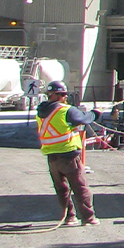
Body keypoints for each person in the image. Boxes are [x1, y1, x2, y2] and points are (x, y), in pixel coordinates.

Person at [36, 81, 100, 226]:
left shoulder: (41, 112)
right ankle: (88, 218)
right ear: (58, 96)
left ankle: (69, 217)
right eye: (64, 95)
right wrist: (95, 113)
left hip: (52, 158)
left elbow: (59, 125)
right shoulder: (65, 110)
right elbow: (84, 119)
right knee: (81, 188)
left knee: (62, 189)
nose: (65, 98)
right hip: (69, 156)